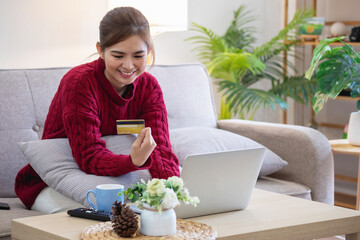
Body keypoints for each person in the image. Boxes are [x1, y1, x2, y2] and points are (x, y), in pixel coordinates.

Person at [15, 6, 180, 213]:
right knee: (118, 213)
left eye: (138, 56)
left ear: (149, 52)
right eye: (118, 55)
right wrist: (133, 161)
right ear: (100, 50)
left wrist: (172, 192)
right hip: (54, 182)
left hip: (122, 174)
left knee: (159, 205)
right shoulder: (79, 83)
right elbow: (89, 156)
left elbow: (162, 150)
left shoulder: (149, 87)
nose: (128, 66)